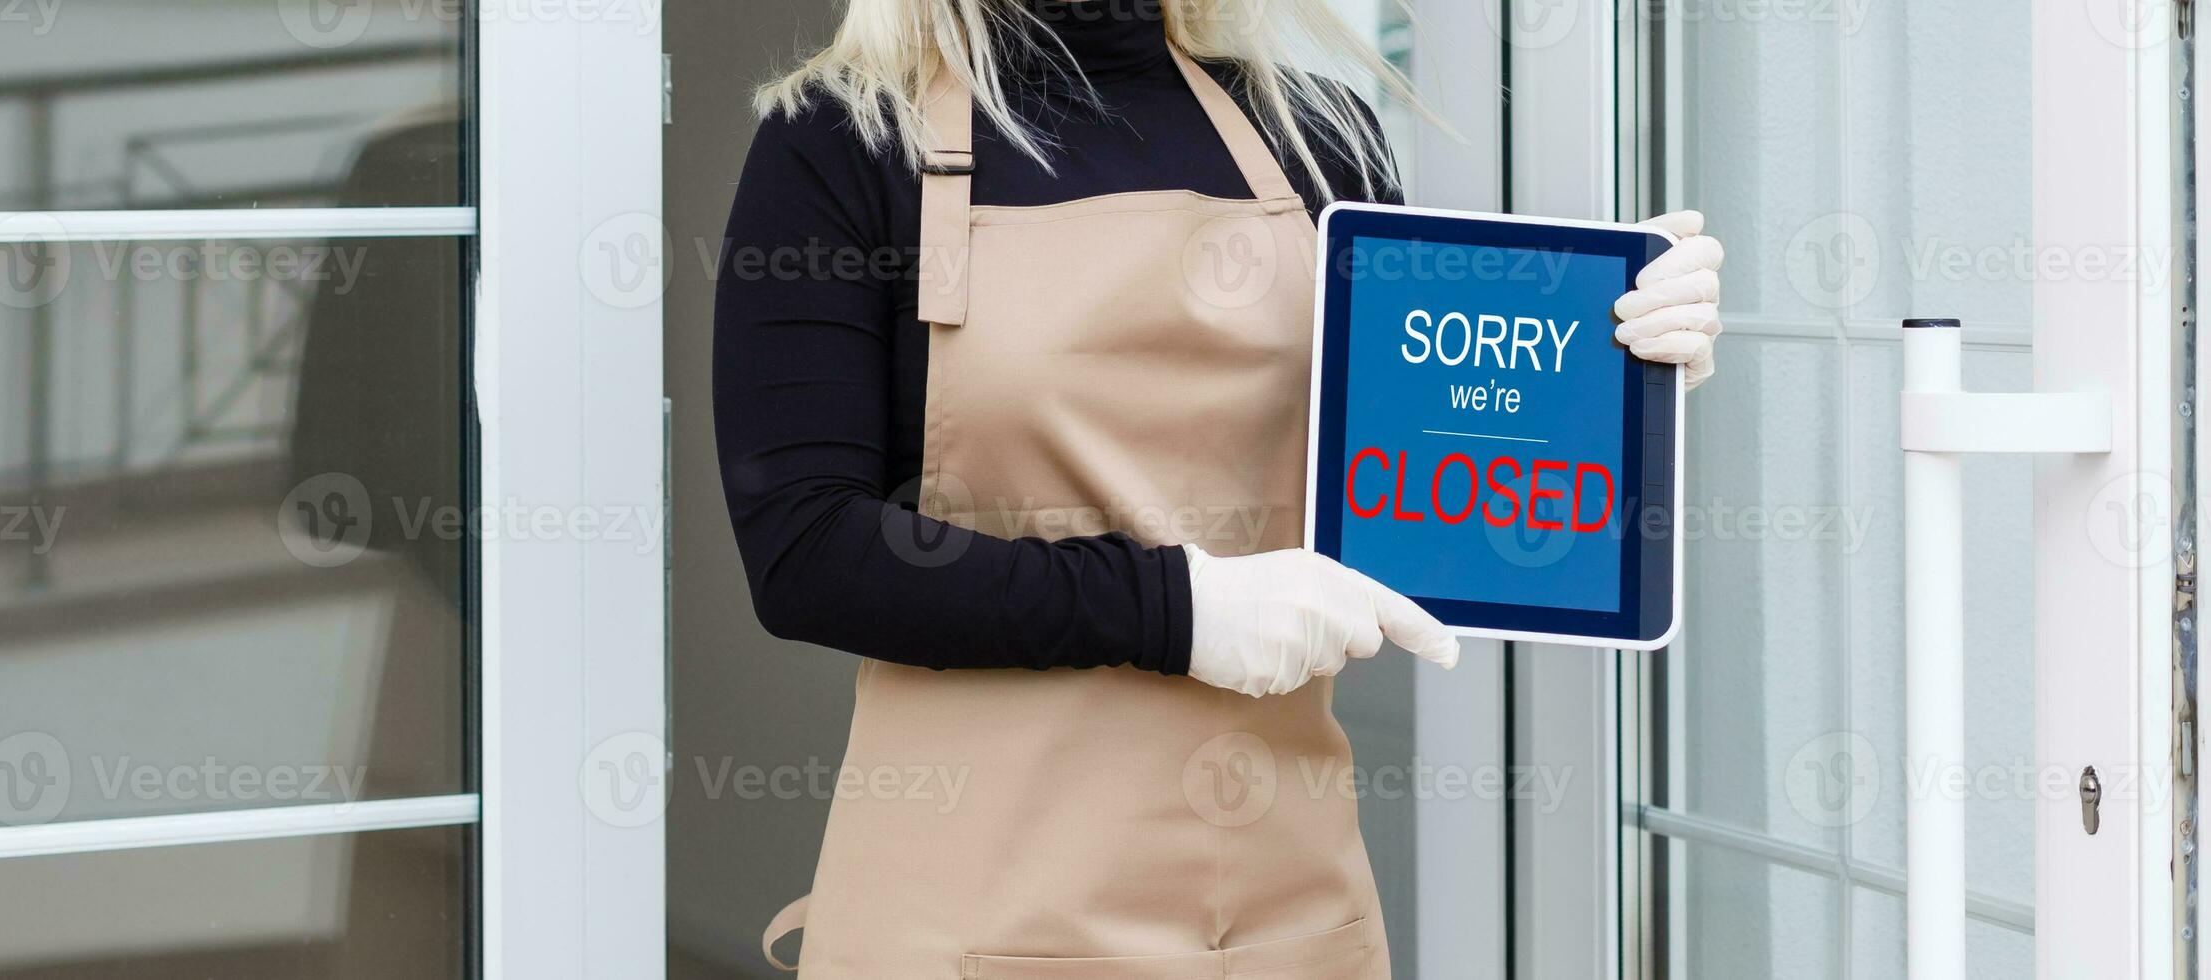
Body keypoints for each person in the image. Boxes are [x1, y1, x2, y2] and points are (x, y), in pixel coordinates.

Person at [712, 1, 1725, 975]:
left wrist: (1612, 355)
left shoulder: (1315, 133)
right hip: (970, 912)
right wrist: (1184, 610)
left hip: (1282, 913)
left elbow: (1430, 453)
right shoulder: (843, 139)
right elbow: (808, 551)